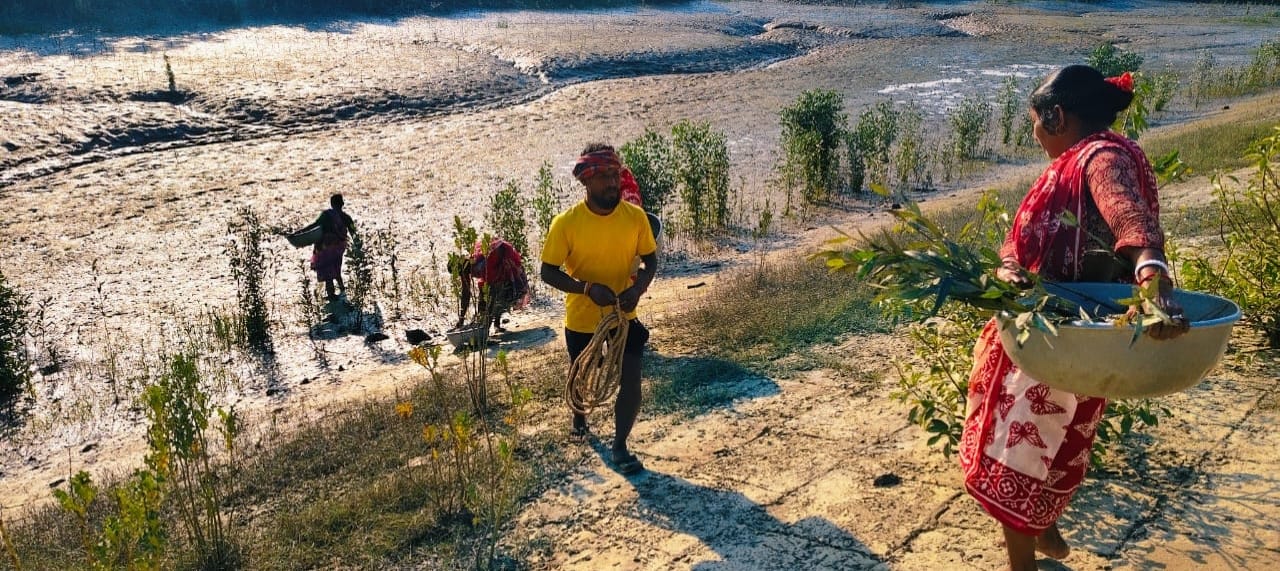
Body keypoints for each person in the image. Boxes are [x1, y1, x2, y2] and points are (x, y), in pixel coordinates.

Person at [958, 65, 1190, 571]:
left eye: (1035, 123)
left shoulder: (1102, 159)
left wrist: (1153, 282)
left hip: (1070, 340)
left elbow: (1129, 217)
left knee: (1019, 457)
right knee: (1015, 451)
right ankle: (1044, 529)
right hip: (1034, 331)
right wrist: (1009, 267)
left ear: (1056, 115)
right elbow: (1019, 238)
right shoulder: (1070, 161)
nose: (1034, 134)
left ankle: (1027, 557)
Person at [541, 143, 658, 476]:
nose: (613, 183)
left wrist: (638, 288)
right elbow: (547, 271)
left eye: (616, 175)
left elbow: (650, 259)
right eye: (605, 177)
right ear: (586, 181)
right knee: (582, 377)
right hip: (582, 318)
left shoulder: (635, 218)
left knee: (631, 379)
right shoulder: (566, 224)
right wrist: (587, 289)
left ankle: (620, 446)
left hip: (624, 316)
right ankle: (579, 417)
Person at [454, 238, 530, 333]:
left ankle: (496, 323)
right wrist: (460, 320)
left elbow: (492, 294)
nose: (462, 276)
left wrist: (485, 327)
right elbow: (466, 293)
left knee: (501, 293)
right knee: (487, 296)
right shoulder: (466, 269)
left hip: (504, 258)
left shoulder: (484, 266)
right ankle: (490, 324)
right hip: (494, 262)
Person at [299, 193, 357, 301]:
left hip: (326, 248)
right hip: (339, 248)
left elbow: (315, 225)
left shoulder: (326, 215)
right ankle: (342, 291)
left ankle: (331, 295)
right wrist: (358, 247)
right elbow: (354, 233)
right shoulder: (346, 217)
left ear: (331, 204)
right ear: (342, 204)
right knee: (336, 268)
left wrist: (300, 232)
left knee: (328, 270)